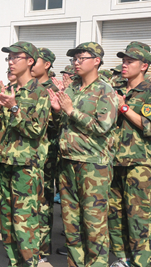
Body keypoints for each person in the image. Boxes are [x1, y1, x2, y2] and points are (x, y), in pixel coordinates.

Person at [48, 42, 118, 267]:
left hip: (92, 166)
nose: (76, 62)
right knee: (71, 224)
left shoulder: (104, 90)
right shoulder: (72, 88)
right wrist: (58, 111)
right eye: (74, 59)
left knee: (94, 224)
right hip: (67, 162)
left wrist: (71, 110)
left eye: (81, 58)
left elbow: (102, 127)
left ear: (96, 61)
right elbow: (62, 125)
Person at [0, 41, 50, 267]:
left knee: (24, 220)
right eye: (9, 58)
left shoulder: (39, 92)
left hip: (26, 165)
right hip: (6, 161)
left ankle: (30, 262)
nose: (11, 62)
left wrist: (15, 108)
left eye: (17, 57)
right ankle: (14, 262)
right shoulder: (10, 91)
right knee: (6, 220)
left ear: (30, 61)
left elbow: (35, 130)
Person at [108, 46, 151, 267]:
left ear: (144, 66)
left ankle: (142, 262)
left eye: (130, 61)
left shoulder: (149, 91)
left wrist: (124, 107)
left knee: (138, 216)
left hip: (139, 163)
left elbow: (149, 126)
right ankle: (123, 258)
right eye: (123, 60)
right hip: (113, 160)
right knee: (114, 213)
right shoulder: (116, 89)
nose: (124, 64)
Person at [29, 47, 59, 263]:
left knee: (44, 202)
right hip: (28, 154)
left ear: (46, 65)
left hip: (46, 155)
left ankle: (42, 247)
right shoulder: (28, 87)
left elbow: (57, 125)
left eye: (35, 61)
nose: (30, 65)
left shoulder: (52, 89)